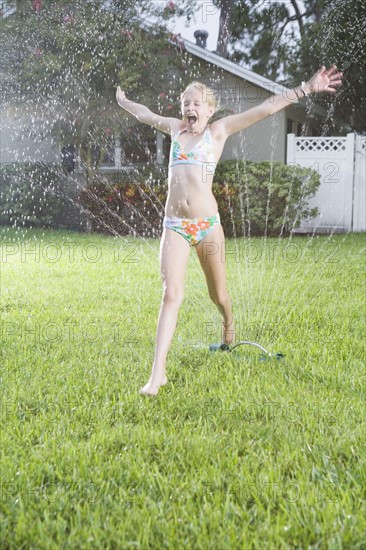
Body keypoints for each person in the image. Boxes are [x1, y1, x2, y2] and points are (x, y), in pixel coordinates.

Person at [116, 65, 342, 396]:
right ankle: (157, 375)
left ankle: (228, 326)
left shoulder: (218, 131)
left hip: (208, 226)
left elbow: (265, 109)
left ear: (210, 109)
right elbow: (146, 115)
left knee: (218, 294)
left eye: (197, 104)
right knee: (171, 293)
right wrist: (125, 103)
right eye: (186, 103)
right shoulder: (176, 130)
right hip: (175, 226)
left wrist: (306, 88)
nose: (190, 109)